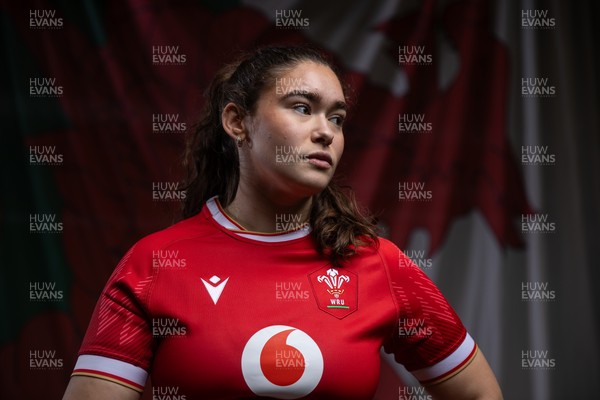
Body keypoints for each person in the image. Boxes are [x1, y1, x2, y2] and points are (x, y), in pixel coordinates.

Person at [63, 45, 503, 400]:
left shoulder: (378, 264)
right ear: (238, 122)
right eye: (301, 107)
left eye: (336, 117)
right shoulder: (155, 264)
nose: (326, 132)